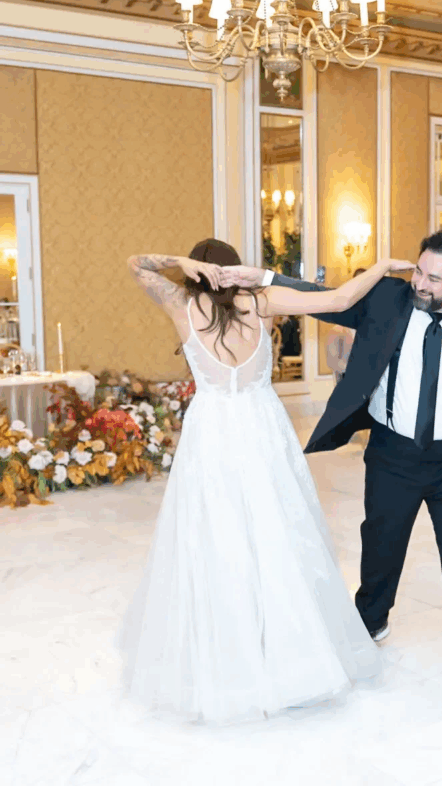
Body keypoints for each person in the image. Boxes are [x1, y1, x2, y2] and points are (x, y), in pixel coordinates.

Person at [219, 231, 442, 706]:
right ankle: (371, 618)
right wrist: (263, 276)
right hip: (392, 451)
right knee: (381, 540)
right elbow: (322, 299)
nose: (419, 282)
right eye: (419, 270)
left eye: (433, 278)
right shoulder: (386, 297)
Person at [119, 239, 414, 723]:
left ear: (196, 272)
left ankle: (231, 652)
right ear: (235, 268)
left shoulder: (180, 302)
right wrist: (381, 263)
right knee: (277, 532)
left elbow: (136, 263)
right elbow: (340, 299)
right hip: (260, 427)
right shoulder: (260, 301)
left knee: (215, 537)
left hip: (212, 430)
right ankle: (287, 654)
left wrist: (178, 263)